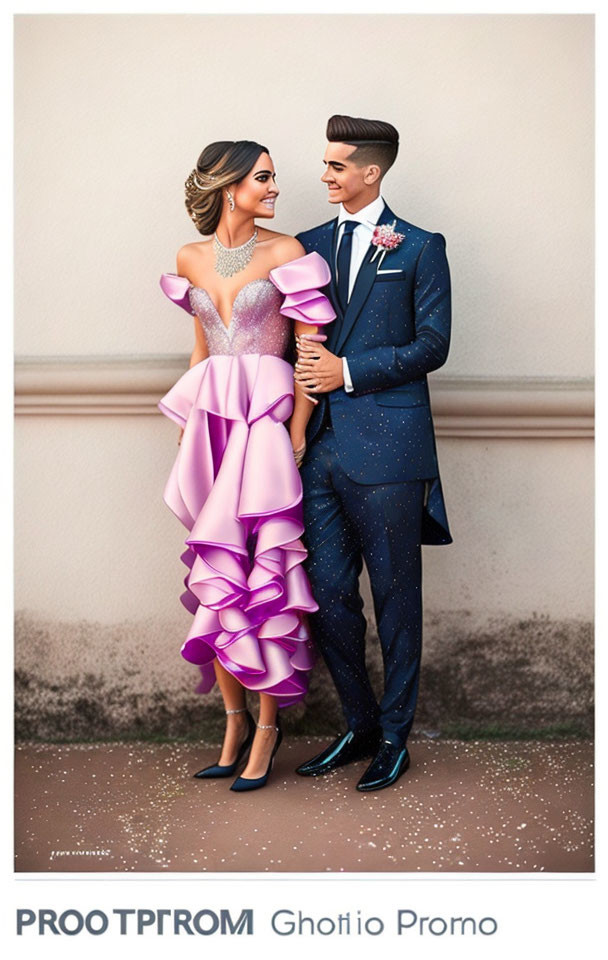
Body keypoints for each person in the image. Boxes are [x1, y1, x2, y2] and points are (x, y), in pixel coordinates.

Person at [158, 140, 334, 792]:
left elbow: (309, 355)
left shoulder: (287, 255)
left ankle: (267, 727)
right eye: (264, 177)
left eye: (273, 176)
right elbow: (200, 351)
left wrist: (296, 432)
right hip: (213, 427)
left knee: (264, 574)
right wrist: (187, 433)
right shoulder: (189, 258)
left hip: (266, 430)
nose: (275, 187)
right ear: (230, 186)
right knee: (219, 574)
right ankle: (231, 723)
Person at [292, 115, 452, 792]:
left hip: (389, 448)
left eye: (335, 166)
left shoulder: (418, 247)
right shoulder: (306, 246)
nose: (324, 176)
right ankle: (358, 723)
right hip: (318, 449)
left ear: (370, 172)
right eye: (324, 164)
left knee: (395, 598)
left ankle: (395, 737)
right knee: (328, 595)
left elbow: (433, 345)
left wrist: (347, 372)